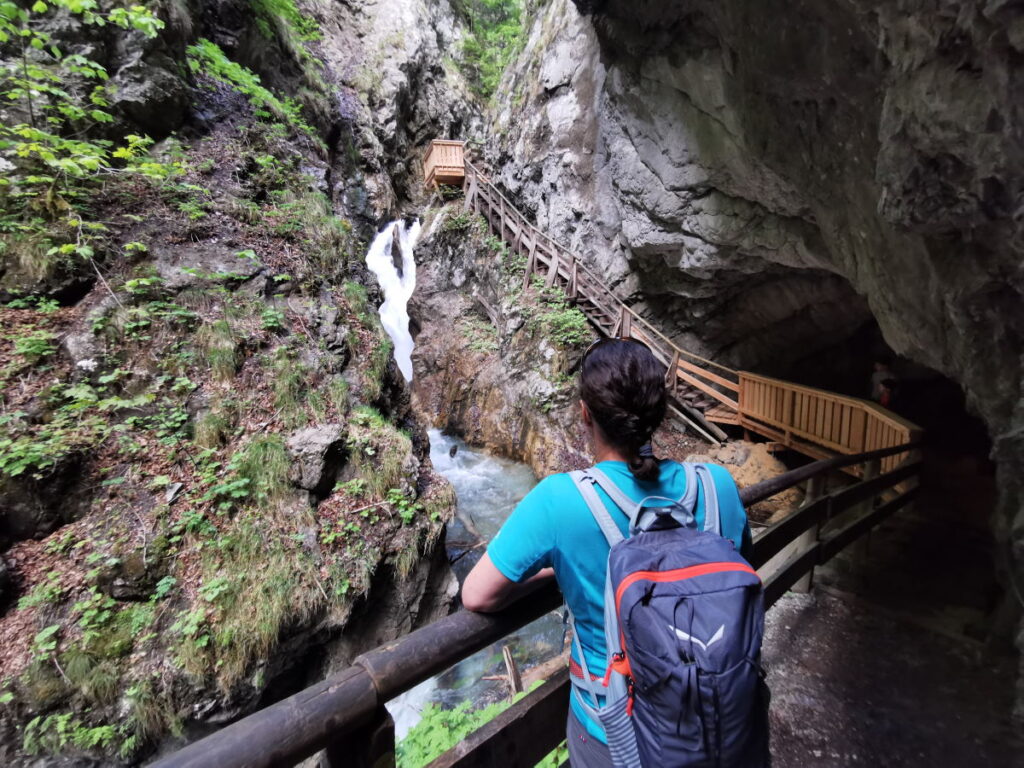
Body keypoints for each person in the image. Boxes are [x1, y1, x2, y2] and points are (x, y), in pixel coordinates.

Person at [462, 338, 752, 767]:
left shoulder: (560, 500)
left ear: (585, 413)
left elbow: (477, 595)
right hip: (719, 717)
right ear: (660, 412)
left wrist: (555, 573)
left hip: (614, 728)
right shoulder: (718, 485)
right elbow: (740, 573)